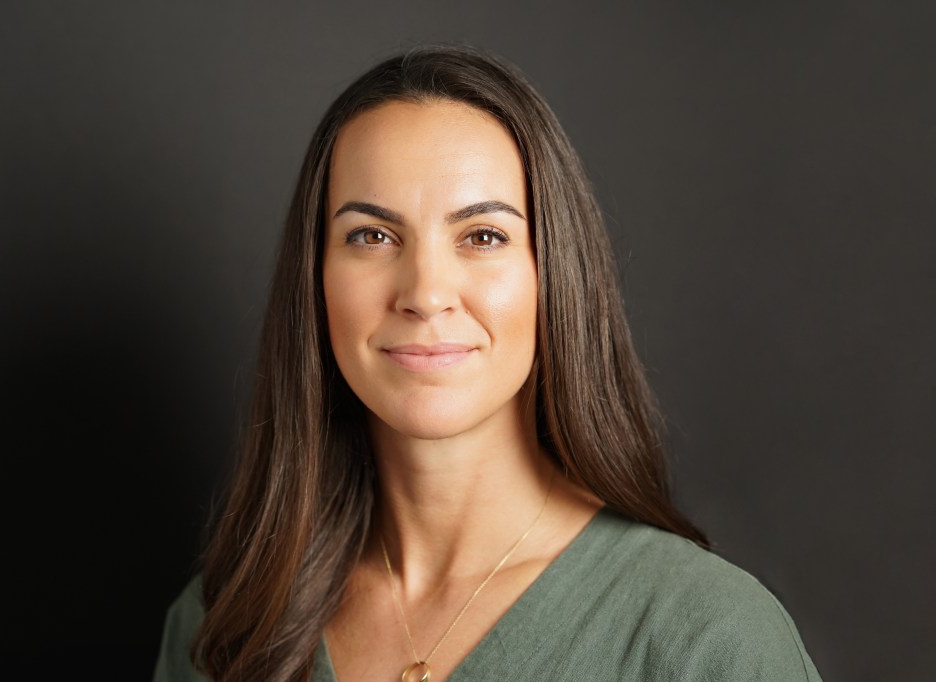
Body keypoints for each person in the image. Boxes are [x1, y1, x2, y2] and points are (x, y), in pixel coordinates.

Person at [153, 45, 822, 682]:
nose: (425, 293)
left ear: (553, 276)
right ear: (315, 277)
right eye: (373, 235)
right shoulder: (224, 626)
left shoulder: (706, 637)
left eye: (482, 236)